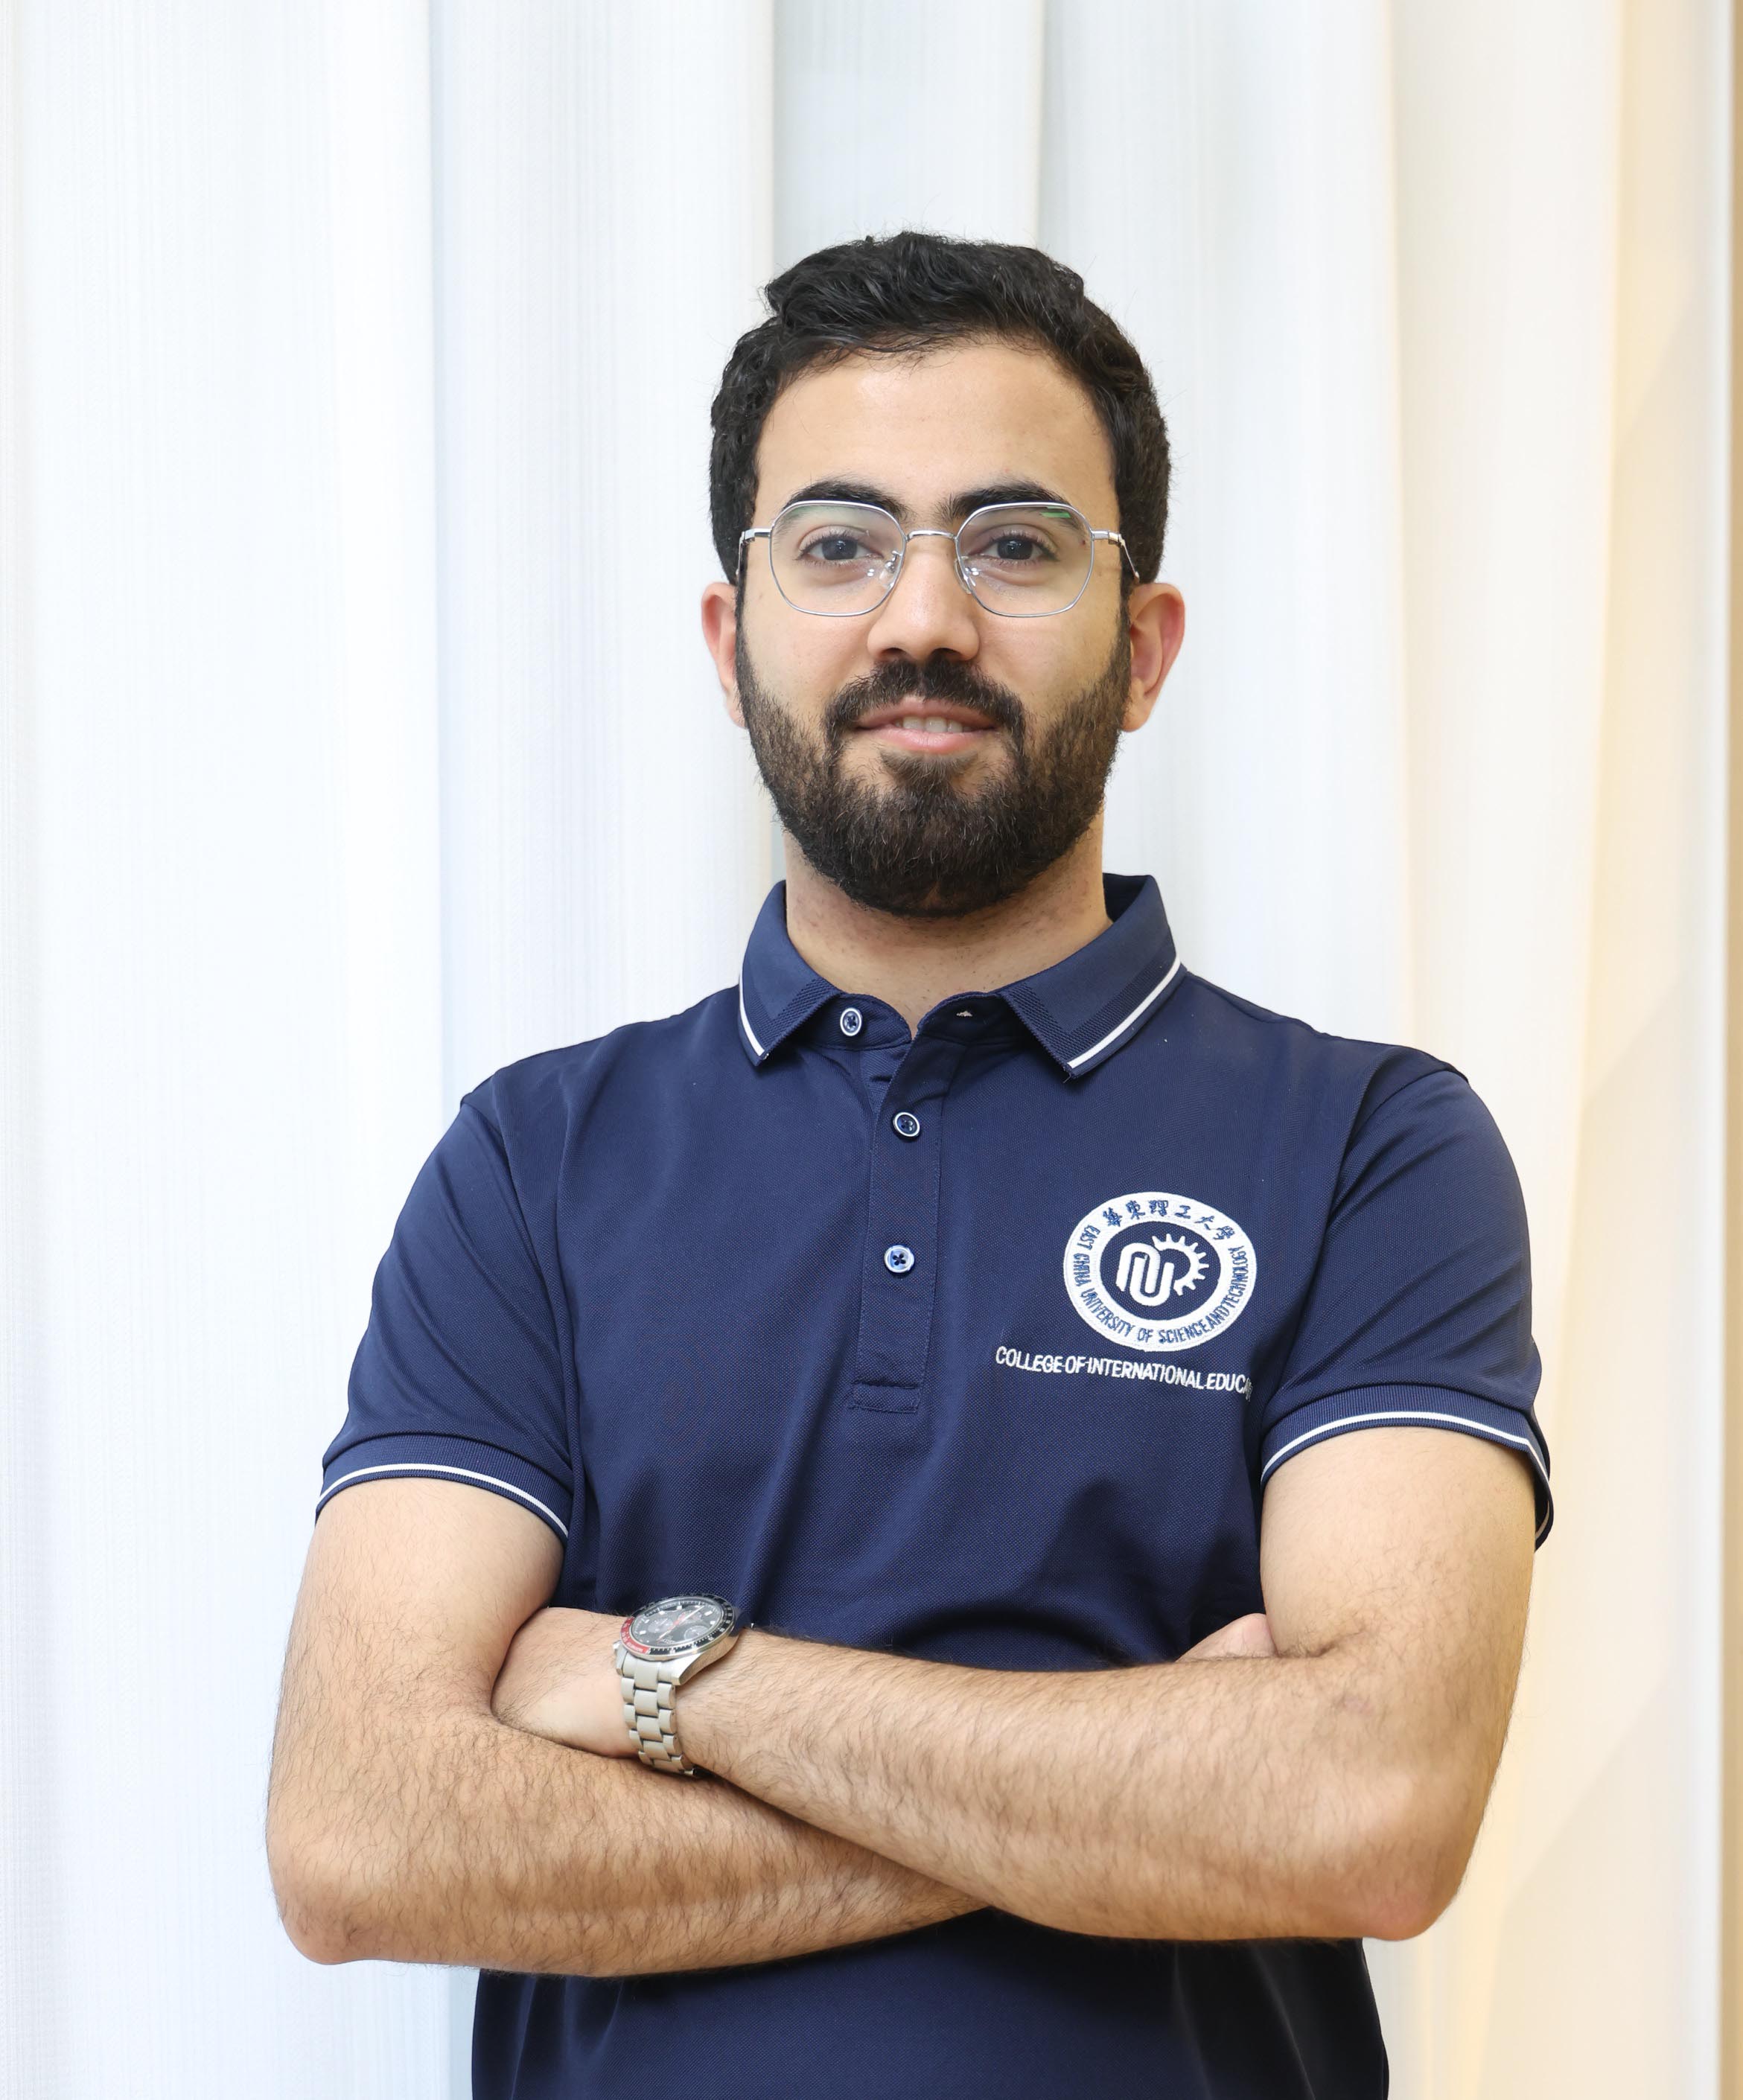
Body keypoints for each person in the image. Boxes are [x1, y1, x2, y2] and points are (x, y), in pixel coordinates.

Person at [266, 231, 1551, 2099]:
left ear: (1144, 646)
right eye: (839, 544)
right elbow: (360, 1836)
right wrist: (1142, 1796)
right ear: (732, 643)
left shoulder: (1373, 1145)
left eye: (1014, 544)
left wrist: (674, 1682)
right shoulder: (531, 1164)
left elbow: (1367, 1810)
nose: (922, 618)